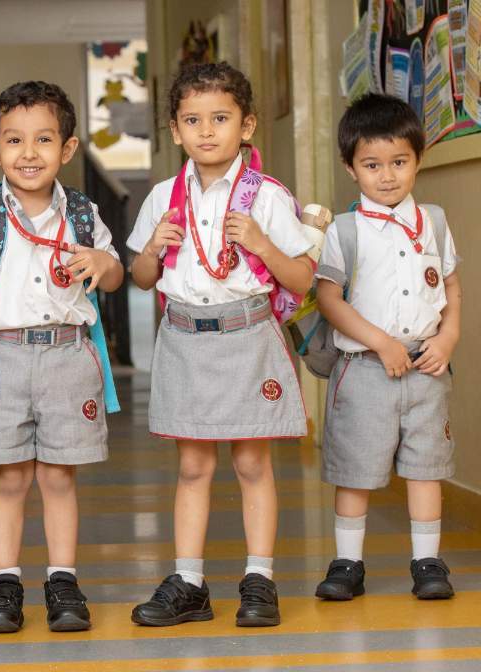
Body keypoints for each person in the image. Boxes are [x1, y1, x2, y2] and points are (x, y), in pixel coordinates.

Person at [126, 62, 314, 628]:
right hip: (186, 337)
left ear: (246, 125)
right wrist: (152, 250)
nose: (206, 131)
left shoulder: (267, 196)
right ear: (175, 130)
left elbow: (304, 278)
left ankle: (260, 580)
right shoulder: (163, 196)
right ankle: (189, 583)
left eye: (220, 118)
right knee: (192, 466)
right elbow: (141, 279)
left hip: (247, 335)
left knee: (253, 463)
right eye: (192, 120)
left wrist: (262, 244)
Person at [0, 80, 123, 633]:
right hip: (3, 357)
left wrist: (102, 263)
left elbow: (114, 274)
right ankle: (4, 584)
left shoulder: (84, 213)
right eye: (14, 140)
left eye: (44, 139)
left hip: (68, 355)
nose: (28, 153)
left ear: (67, 149)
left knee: (59, 478)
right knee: (9, 479)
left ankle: (63, 582)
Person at [314, 93, 460, 602]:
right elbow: (328, 297)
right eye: (372, 165)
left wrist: (447, 337)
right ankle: (347, 564)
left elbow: (451, 287)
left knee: (425, 467)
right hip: (364, 368)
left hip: (426, 366)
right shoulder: (344, 229)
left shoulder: (434, 221)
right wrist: (379, 342)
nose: (388, 175)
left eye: (399, 162)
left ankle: (427, 563)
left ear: (418, 159)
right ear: (350, 168)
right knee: (355, 469)